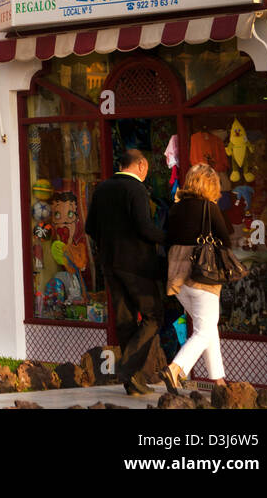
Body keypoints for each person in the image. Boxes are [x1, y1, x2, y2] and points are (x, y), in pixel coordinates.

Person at [85, 148, 167, 396]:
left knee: (125, 320)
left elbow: (90, 227)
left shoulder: (102, 189)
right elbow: (145, 227)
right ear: (141, 165)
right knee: (154, 315)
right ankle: (128, 367)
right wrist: (169, 239)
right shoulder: (136, 189)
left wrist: (108, 245)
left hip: (110, 264)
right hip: (138, 265)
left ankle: (134, 382)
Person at [161, 163, 233, 393]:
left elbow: (166, 238)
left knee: (207, 327)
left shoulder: (175, 208)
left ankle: (219, 381)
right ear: (210, 186)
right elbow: (226, 238)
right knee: (204, 329)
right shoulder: (209, 208)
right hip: (204, 274)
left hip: (178, 277)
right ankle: (176, 368)